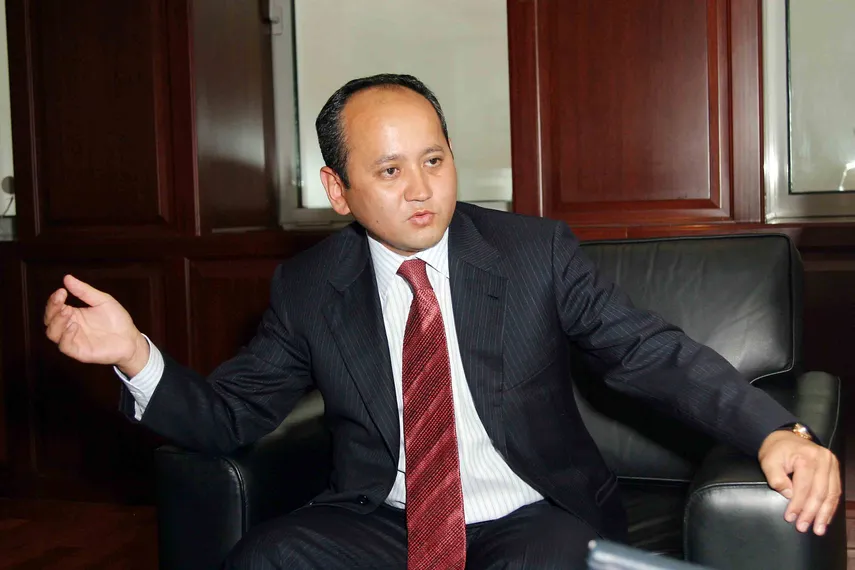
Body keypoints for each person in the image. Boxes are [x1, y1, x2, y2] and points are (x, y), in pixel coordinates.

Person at [43, 74, 841, 569]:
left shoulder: (533, 254)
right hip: (382, 521)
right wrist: (135, 353)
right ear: (337, 188)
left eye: (434, 159)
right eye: (389, 170)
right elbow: (231, 416)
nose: (421, 188)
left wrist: (773, 432)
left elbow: (647, 350)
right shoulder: (309, 286)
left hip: (532, 514)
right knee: (265, 558)